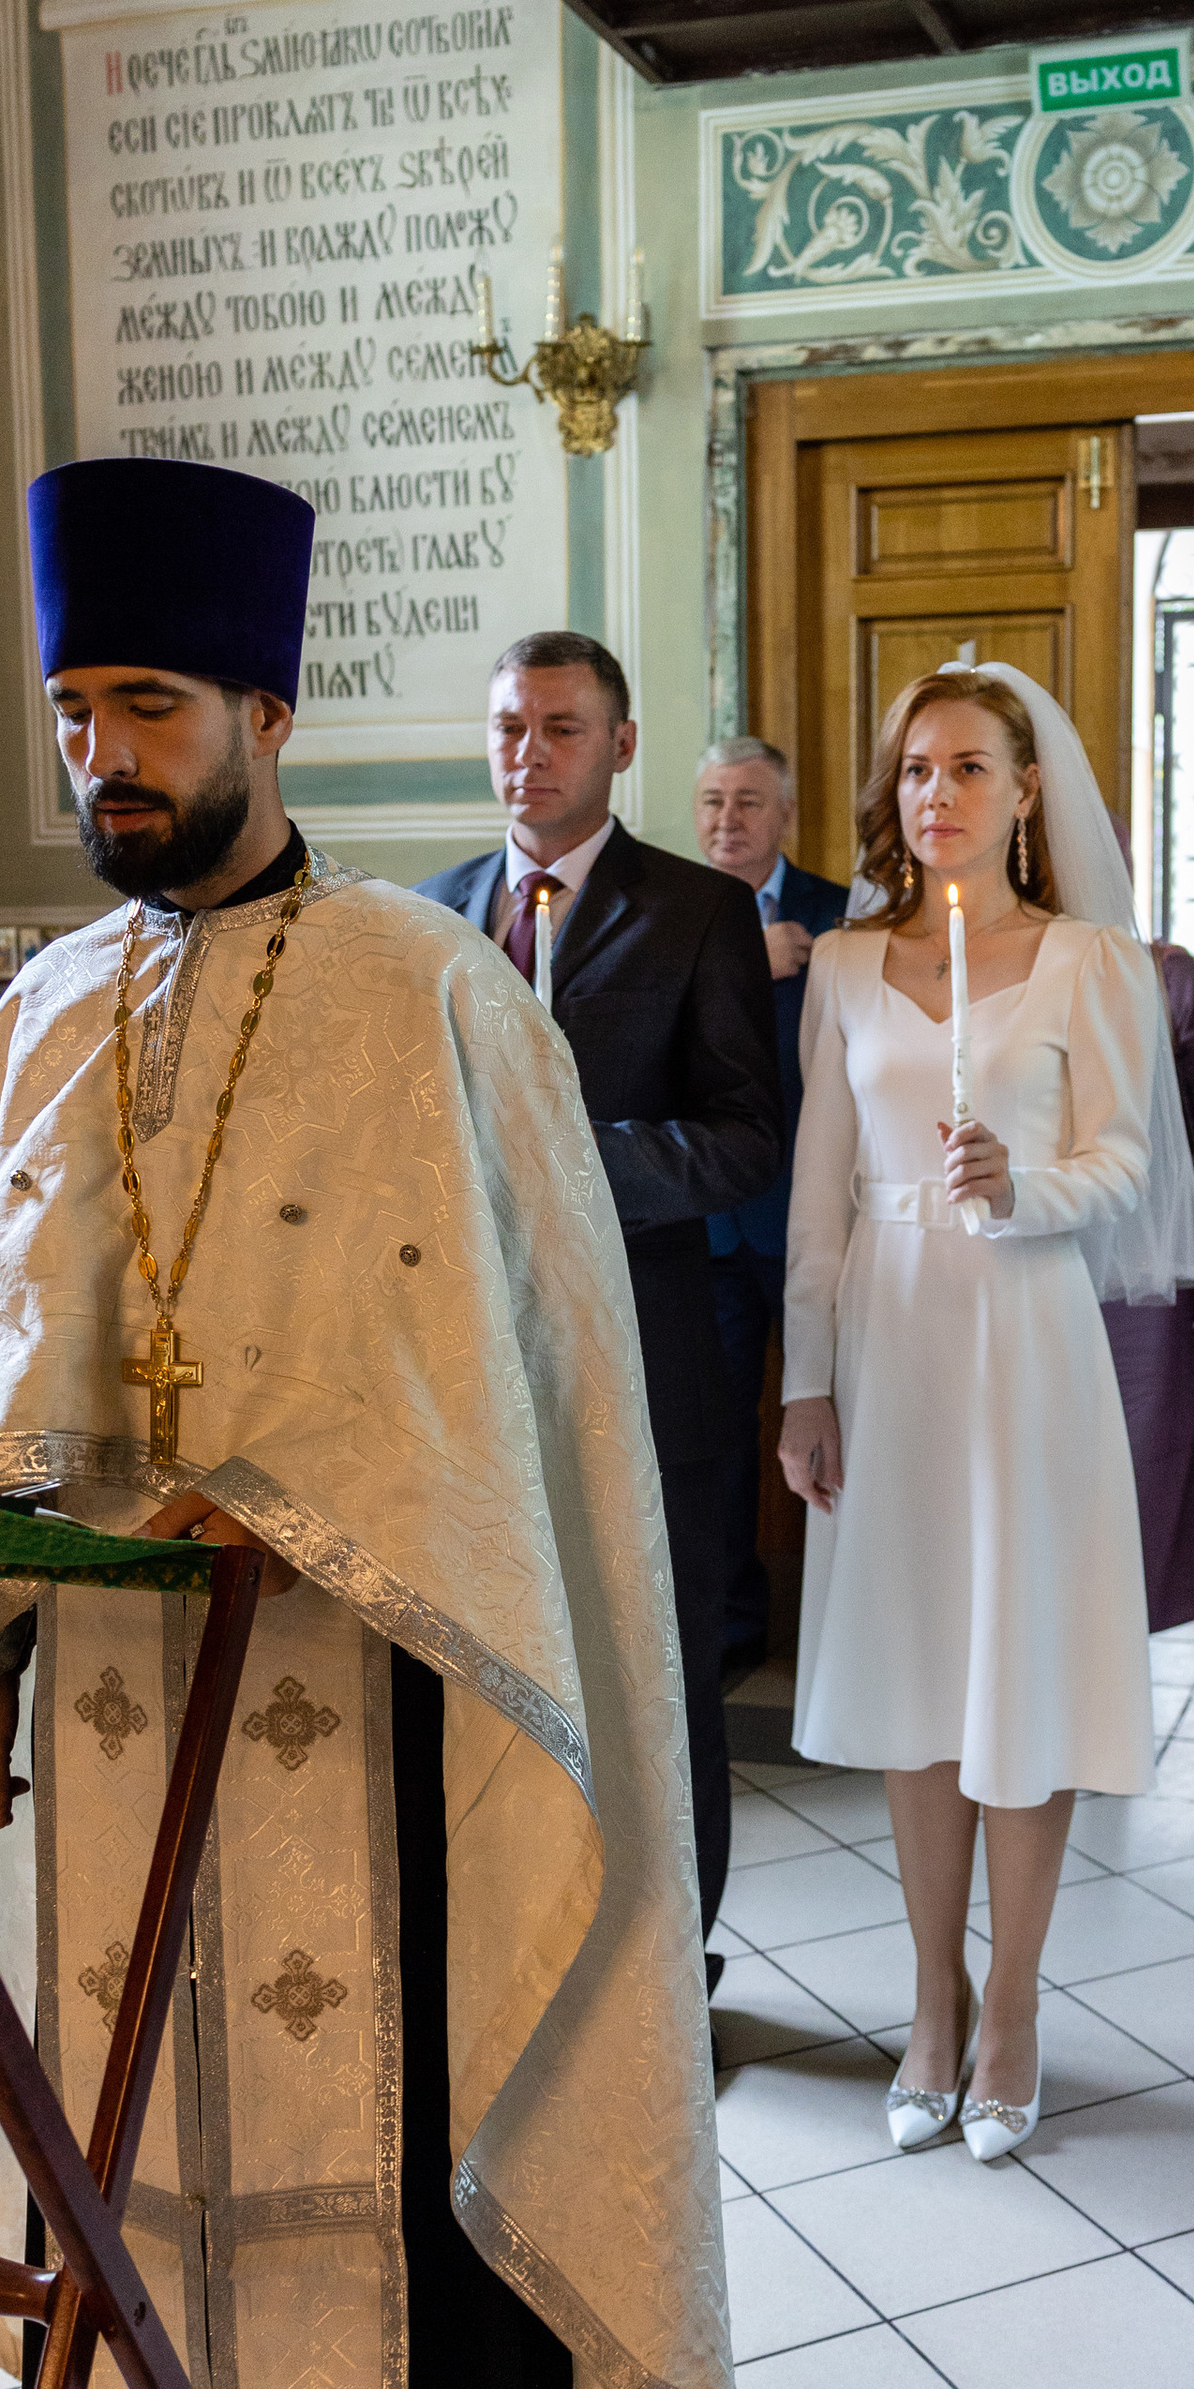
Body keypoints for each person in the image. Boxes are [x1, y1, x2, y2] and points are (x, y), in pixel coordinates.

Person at [0, 462, 733, 2389]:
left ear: (262, 704)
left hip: (371, 1697)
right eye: (67, 711)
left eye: (142, 704)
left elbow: (520, 1412)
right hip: (118, 1714)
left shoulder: (426, 993)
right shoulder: (34, 1017)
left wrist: (339, 1524)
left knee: (364, 2115)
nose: (97, 758)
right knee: (116, 2132)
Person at [779, 665, 1194, 2162]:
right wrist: (806, 1381)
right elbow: (820, 1196)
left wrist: (1020, 1189)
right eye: (913, 771)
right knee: (913, 1685)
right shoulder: (841, 965)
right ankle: (930, 2000)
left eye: (967, 767)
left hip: (1025, 1343)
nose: (935, 794)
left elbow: (1128, 1171)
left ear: (1027, 793)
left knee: (1016, 1677)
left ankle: (1015, 2004)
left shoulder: (1095, 962)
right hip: (890, 1342)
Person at [422, 640, 781, 1962]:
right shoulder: (434, 914)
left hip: (650, 1357)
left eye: (562, 729)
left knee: (659, 1673)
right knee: (502, 1662)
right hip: (469, 1365)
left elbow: (746, 1138)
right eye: (511, 726)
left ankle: (676, 1963)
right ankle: (521, 1956)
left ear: (620, 747)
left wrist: (575, 1162)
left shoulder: (696, 913)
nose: (530, 753)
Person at [692, 736, 851, 1680]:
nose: (727, 821)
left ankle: (842, 1617)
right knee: (716, 1436)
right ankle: (729, 1624)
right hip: (713, 1221)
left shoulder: (844, 917)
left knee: (838, 1417)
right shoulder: (674, 911)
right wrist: (752, 963)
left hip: (825, 1217)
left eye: (748, 802)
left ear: (784, 814)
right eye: (712, 801)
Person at [1102, 920, 1194, 1628]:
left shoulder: (1171, 980)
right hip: (1032, 1253)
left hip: (1149, 1265)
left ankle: (1126, 1635)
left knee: (1144, 1456)